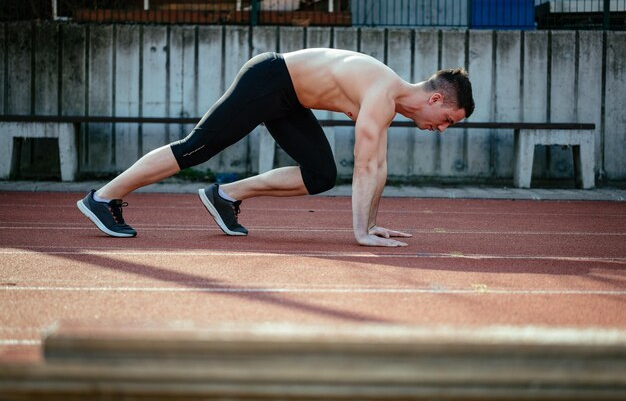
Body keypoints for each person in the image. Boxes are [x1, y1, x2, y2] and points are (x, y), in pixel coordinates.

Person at [77, 48, 474, 247]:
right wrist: (360, 234)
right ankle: (103, 197)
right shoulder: (382, 93)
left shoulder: (386, 102)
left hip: (290, 100)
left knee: (321, 175)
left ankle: (225, 195)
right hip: (268, 79)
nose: (441, 130)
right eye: (448, 121)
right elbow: (367, 167)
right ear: (437, 100)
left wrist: (370, 226)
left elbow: (379, 166)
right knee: (197, 147)